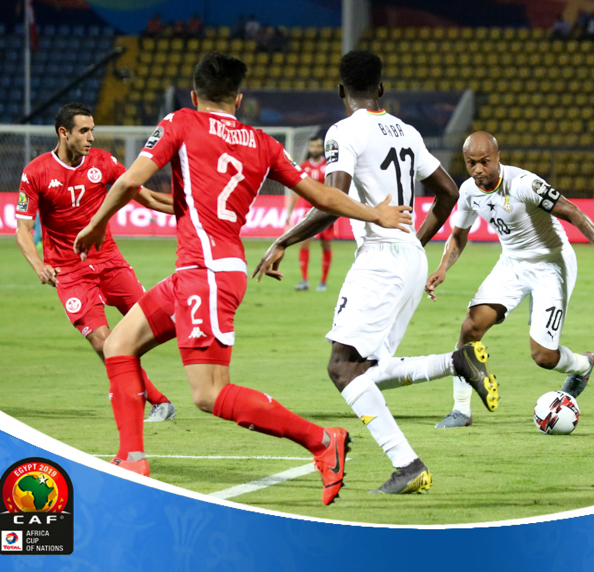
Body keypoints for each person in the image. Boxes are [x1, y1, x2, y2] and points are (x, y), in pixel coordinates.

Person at [74, 52, 413, 505]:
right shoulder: (262, 142)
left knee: (209, 394)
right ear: (238, 99)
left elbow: (128, 182)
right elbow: (322, 195)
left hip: (208, 274)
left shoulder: (180, 123)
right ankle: (131, 458)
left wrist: (96, 225)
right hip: (201, 270)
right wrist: (375, 213)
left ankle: (321, 441)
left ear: (194, 95)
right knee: (118, 344)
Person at [254, 50, 499, 494]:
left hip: (380, 257)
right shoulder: (407, 131)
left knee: (342, 368)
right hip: (408, 256)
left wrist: (283, 240)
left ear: (341, 91)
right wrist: (415, 241)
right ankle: (455, 362)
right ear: (381, 89)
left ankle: (407, 463)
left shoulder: (343, 131)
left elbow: (332, 200)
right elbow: (447, 192)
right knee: (368, 367)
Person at [425, 132, 594, 428]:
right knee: (469, 328)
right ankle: (461, 410)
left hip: (551, 265)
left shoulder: (524, 184)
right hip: (512, 264)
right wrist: (443, 268)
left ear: (498, 157)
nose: (478, 169)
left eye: (484, 162)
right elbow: (458, 236)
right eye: (471, 163)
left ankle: (582, 365)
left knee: (543, 356)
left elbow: (573, 211)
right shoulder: (468, 192)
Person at [15, 102, 178, 423]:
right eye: (84, 131)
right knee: (103, 342)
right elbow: (22, 229)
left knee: (157, 321)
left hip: (110, 262)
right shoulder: (35, 172)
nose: (91, 137)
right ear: (64, 133)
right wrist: (38, 266)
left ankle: (123, 376)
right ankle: (157, 401)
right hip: (69, 272)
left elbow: (146, 197)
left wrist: (196, 212)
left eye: (92, 130)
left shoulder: (103, 162)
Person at [282, 136, 334, 291]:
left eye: (318, 146)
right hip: (308, 210)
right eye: (312, 146)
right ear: (309, 148)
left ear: (322, 148)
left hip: (326, 210)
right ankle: (304, 280)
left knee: (325, 245)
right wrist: (289, 212)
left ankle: (323, 281)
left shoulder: (329, 166)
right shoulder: (304, 166)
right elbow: (297, 190)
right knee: (304, 241)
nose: (315, 149)